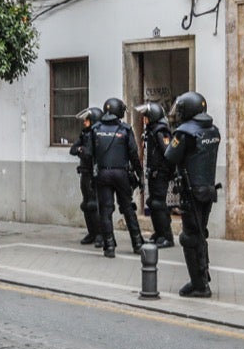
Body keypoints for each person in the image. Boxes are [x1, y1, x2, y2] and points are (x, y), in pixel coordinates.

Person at [164, 92, 220, 294]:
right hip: (208, 190)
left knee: (189, 237)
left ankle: (199, 284)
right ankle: (203, 274)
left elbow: (170, 155)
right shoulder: (213, 130)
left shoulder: (185, 132)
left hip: (190, 192)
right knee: (200, 233)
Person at [90, 98, 145, 258]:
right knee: (128, 208)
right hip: (121, 174)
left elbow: (88, 153)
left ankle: (109, 246)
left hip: (103, 173)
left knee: (106, 210)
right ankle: (137, 243)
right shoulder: (125, 129)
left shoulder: (95, 129)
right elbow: (133, 154)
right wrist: (139, 173)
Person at [135, 102, 175, 248]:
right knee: (153, 203)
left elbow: (168, 153)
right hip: (153, 173)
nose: (144, 120)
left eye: (146, 117)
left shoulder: (161, 131)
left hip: (160, 174)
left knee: (159, 204)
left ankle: (167, 236)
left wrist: (166, 172)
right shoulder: (152, 130)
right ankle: (159, 233)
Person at [69, 106, 101, 245]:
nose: (84, 123)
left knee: (95, 204)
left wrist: (82, 150)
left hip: (94, 174)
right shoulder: (84, 134)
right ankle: (91, 232)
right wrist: (81, 149)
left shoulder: (98, 135)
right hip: (84, 173)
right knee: (86, 204)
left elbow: (89, 153)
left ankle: (100, 234)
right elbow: (73, 149)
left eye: (87, 120)